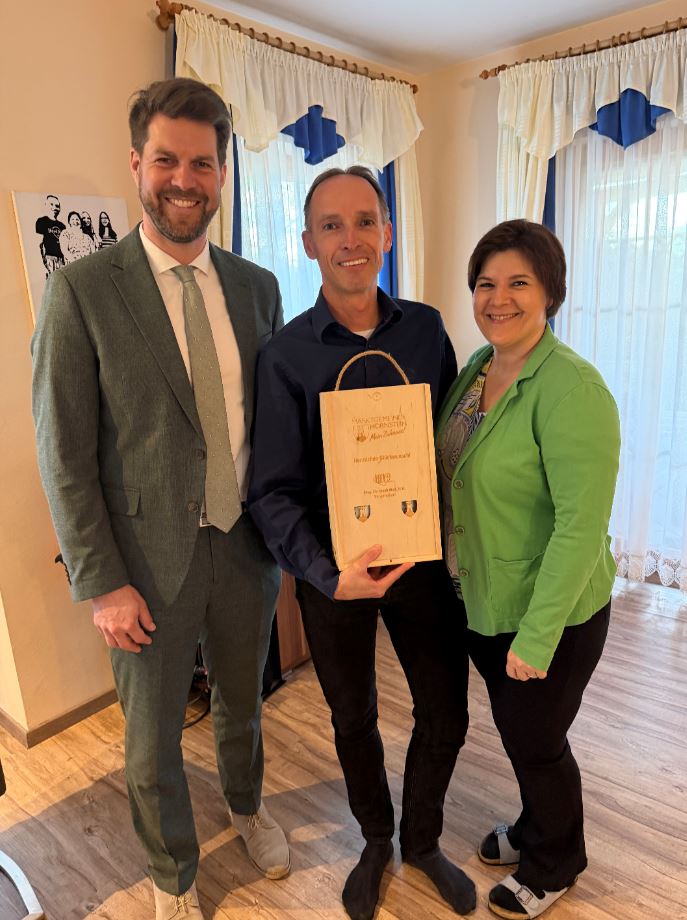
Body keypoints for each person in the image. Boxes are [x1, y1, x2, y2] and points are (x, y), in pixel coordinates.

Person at [32, 77, 289, 920]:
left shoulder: (256, 288)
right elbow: (63, 451)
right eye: (167, 161)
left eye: (203, 164)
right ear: (137, 164)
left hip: (245, 549)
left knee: (244, 708)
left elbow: (272, 423)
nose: (185, 180)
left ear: (222, 176)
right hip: (142, 568)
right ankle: (173, 874)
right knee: (150, 743)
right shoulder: (82, 292)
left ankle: (246, 808)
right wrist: (101, 582)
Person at [248, 166, 476, 920]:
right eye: (332, 225)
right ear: (308, 242)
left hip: (422, 564)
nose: (351, 239)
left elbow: (449, 451)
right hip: (334, 575)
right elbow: (270, 490)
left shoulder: (426, 330)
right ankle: (376, 840)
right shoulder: (285, 356)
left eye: (365, 221)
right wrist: (323, 573)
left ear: (387, 232)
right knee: (352, 719)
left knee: (445, 712)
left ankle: (422, 840)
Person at [435, 219, 620, 919]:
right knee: (519, 732)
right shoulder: (478, 370)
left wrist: (537, 638)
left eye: (518, 282)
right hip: (484, 596)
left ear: (550, 292)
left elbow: (580, 529)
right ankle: (533, 826)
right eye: (485, 284)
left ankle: (555, 862)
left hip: (551, 613)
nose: (498, 298)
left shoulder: (572, 388)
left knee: (538, 742)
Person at [35, 194, 65, 276]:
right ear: (46, 205)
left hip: (61, 260)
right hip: (49, 259)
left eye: (57, 206)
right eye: (51, 204)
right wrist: (43, 265)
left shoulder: (62, 226)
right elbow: (39, 244)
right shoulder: (41, 221)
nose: (54, 208)